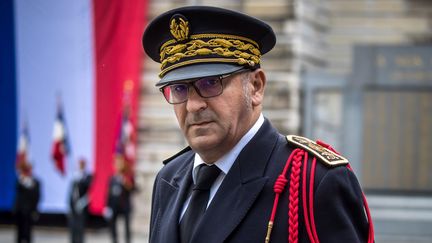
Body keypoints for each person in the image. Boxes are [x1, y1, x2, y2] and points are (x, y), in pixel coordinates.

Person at [142, 6, 374, 243]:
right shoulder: (169, 178)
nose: (192, 105)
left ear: (255, 87)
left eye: (210, 83)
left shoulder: (312, 182)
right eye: (179, 89)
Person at [104, 155, 135, 243]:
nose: (118, 165)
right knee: (113, 225)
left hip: (125, 205)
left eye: (120, 163)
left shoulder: (127, 176)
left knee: (127, 226)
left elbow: (133, 188)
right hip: (114, 205)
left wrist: (125, 182)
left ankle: (127, 240)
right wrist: (107, 206)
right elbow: (108, 193)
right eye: (116, 163)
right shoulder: (112, 178)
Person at [13, 161, 40, 243]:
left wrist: (35, 210)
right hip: (20, 210)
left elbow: (36, 196)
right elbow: (18, 189)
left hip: (29, 211)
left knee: (28, 232)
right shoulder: (20, 180)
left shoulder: (35, 182)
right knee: (19, 232)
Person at [68, 158, 93, 243]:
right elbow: (71, 192)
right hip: (73, 205)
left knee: (80, 228)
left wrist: (81, 177)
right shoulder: (75, 176)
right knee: (73, 228)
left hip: (82, 205)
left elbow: (88, 187)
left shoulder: (87, 176)